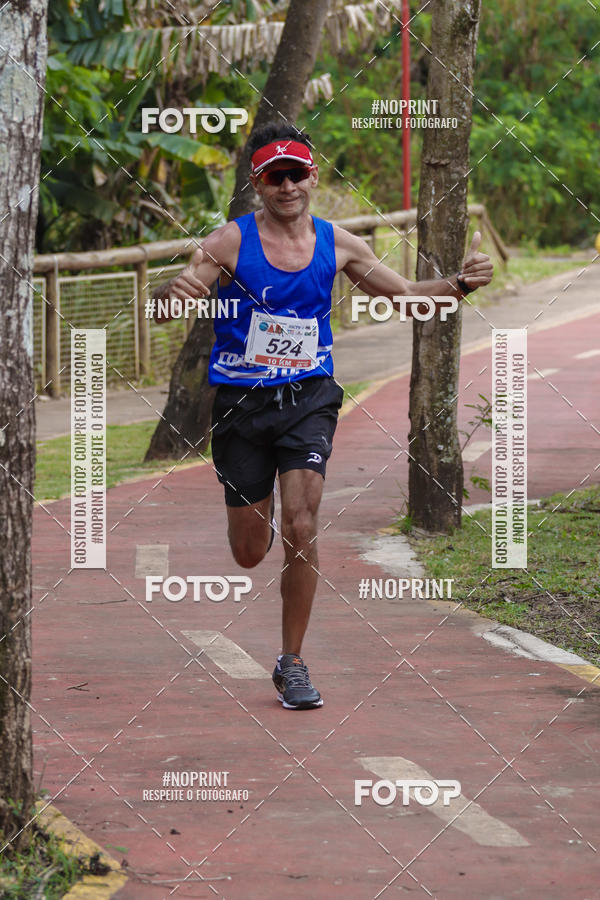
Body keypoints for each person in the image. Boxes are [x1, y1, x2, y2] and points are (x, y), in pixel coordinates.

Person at [155, 123, 493, 710]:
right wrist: (171, 293)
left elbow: (408, 295)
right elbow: (166, 304)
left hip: (309, 399)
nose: (287, 185)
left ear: (313, 176)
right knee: (249, 550)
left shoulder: (340, 243)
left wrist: (461, 284)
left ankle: (291, 663)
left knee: (303, 525)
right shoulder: (227, 243)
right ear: (257, 184)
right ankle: (250, 525)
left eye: (296, 173)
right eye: (273, 176)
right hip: (242, 404)